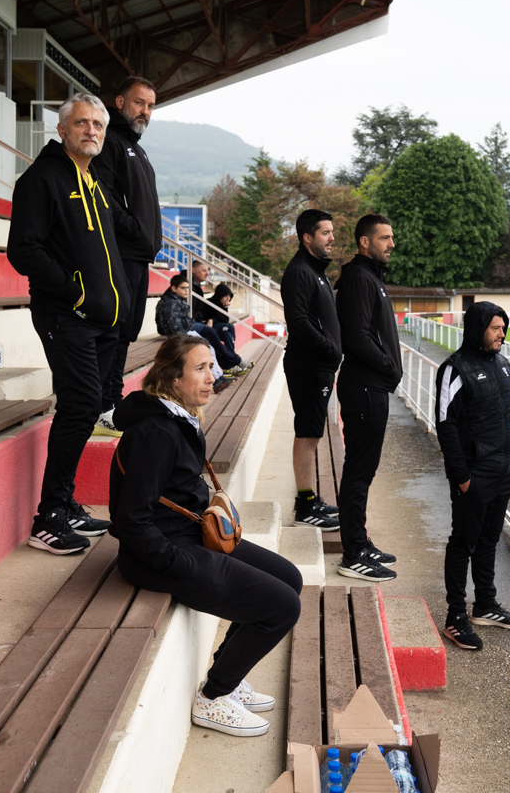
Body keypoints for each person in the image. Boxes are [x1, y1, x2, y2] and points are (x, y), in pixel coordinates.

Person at [109, 335, 303, 737]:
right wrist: (176, 562)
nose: (212, 377)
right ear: (171, 378)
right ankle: (213, 697)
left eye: (211, 367)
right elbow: (130, 520)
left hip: (189, 534)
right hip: (161, 552)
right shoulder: (154, 433)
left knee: (291, 580)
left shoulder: (176, 416)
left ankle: (227, 676)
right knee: (281, 607)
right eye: (200, 369)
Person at [7, 92, 131, 555]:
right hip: (67, 314)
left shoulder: (93, 178)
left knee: (87, 406)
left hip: (103, 319)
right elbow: (23, 251)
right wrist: (75, 291)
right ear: (62, 129)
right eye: (82, 123)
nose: (92, 131)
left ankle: (66, 502)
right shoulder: (41, 180)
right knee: (79, 407)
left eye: (98, 125)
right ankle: (48, 517)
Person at [434, 302, 510, 650]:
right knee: (464, 543)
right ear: (477, 329)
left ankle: (485, 605)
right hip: (473, 477)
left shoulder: (503, 365)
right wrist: (462, 478)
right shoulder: (454, 370)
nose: (501, 334)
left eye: (504, 327)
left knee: (489, 542)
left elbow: (505, 420)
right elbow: (446, 425)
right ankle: (455, 617)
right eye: (494, 328)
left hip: (502, 471)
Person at [92, 76, 163, 434]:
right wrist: (134, 228)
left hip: (139, 256)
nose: (145, 112)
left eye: (150, 106)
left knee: (128, 332)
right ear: (119, 102)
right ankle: (104, 405)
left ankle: (111, 402)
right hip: (121, 254)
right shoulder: (112, 142)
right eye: (139, 103)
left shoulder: (136, 146)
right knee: (116, 330)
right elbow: (102, 197)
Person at [334, 214, 401, 581]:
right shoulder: (360, 279)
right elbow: (357, 337)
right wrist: (390, 367)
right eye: (385, 238)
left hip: (370, 387)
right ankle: (353, 554)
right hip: (364, 387)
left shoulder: (370, 277)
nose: (392, 244)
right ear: (365, 241)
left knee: (364, 470)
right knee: (359, 471)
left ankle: (360, 540)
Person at [280, 209, 342, 532]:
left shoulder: (315, 271)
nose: (332, 238)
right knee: (307, 433)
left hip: (318, 366)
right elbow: (299, 322)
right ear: (307, 237)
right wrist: (331, 348)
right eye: (325, 233)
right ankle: (305, 507)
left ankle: (309, 498)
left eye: (332, 232)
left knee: (312, 432)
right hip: (309, 366)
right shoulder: (300, 272)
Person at [156, 274, 250, 387]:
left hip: (188, 330)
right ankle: (219, 379)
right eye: (183, 288)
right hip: (184, 334)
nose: (186, 291)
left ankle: (219, 378)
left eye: (188, 288)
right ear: (174, 288)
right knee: (208, 348)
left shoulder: (176, 300)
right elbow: (175, 327)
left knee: (211, 346)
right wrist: (185, 340)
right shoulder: (171, 303)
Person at [208, 282, 237, 355]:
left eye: (229, 296)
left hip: (219, 327)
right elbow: (209, 316)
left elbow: (225, 320)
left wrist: (224, 308)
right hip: (210, 327)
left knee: (227, 335)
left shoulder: (222, 305)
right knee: (230, 327)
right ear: (220, 295)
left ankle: (231, 355)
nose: (228, 298)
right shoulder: (210, 302)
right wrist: (212, 319)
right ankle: (233, 355)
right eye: (226, 296)